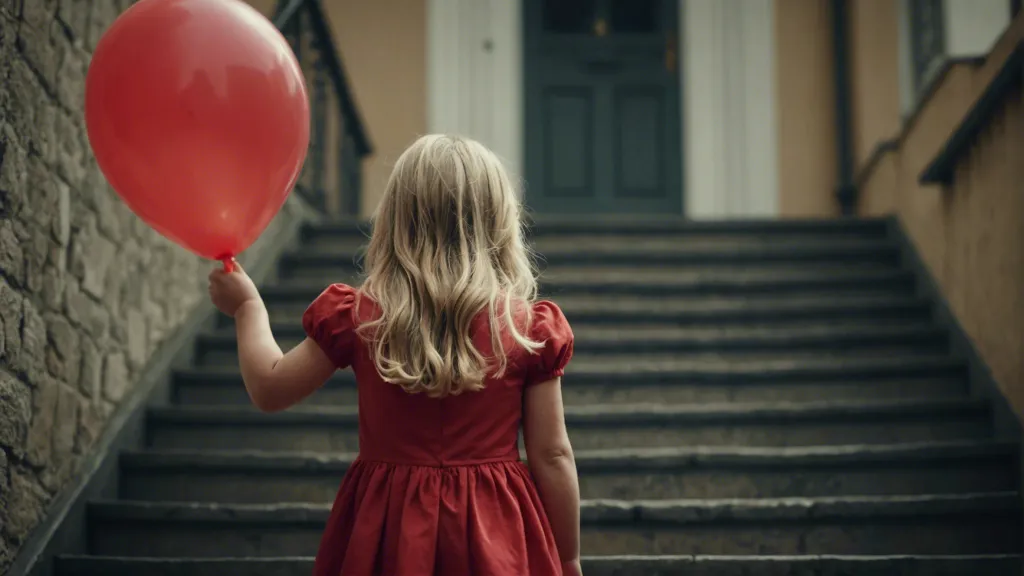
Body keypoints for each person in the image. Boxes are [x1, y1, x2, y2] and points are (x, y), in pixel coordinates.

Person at [208, 134, 582, 576]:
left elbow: (270, 388)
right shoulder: (526, 329)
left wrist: (248, 309)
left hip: (388, 522)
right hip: (495, 525)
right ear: (498, 223)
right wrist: (568, 555)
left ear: (396, 219)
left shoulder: (360, 316)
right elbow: (552, 454)